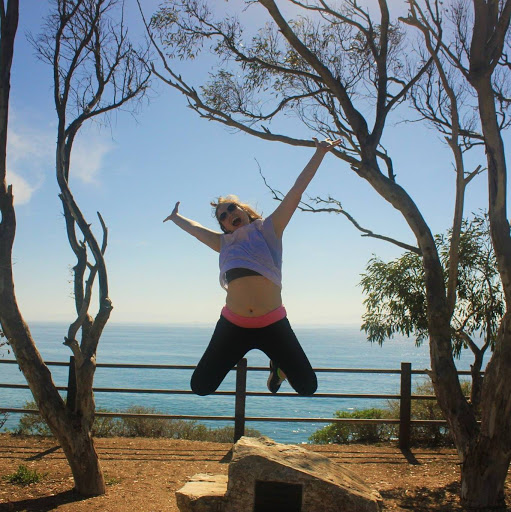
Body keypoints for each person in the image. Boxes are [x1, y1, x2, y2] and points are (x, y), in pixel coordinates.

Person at [164, 137, 341, 396]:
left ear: (244, 211)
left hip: (273, 324)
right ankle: (271, 361)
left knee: (307, 387)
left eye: (231, 209)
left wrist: (320, 153)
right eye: (222, 217)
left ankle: (278, 368)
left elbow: (295, 192)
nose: (227, 216)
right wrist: (177, 217)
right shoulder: (224, 243)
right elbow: (196, 230)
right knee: (200, 386)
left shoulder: (269, 230)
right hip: (233, 326)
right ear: (223, 226)